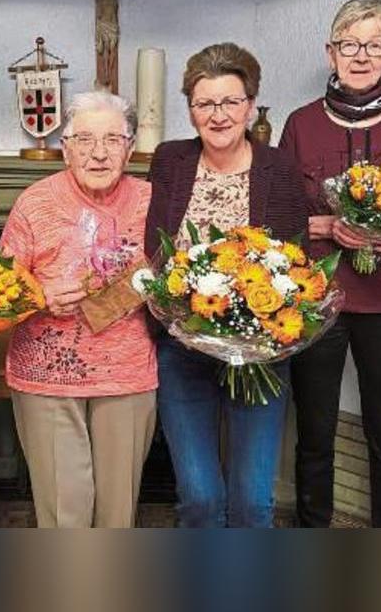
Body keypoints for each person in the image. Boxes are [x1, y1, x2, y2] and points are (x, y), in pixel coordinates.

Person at [278, 0, 381, 528]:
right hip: (318, 299)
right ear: (331, 52)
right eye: (349, 44)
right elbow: (279, 218)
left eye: (373, 44)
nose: (360, 55)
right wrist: (328, 227)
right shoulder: (300, 124)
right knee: (315, 434)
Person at [145, 42, 308, 528]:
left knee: (253, 500)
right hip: (183, 349)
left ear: (250, 106)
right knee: (197, 496)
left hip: (259, 352)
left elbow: (297, 260)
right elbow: (155, 248)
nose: (218, 115)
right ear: (191, 111)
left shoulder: (277, 167)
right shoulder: (170, 160)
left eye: (230, 102)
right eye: (204, 104)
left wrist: (264, 321)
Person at [0, 90, 157, 528]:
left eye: (112, 139)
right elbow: (0, 288)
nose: (99, 153)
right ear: (65, 148)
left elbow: (177, 277)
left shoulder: (152, 199)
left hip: (126, 373)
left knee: (117, 513)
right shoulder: (34, 202)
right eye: (84, 140)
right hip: (47, 375)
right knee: (64, 511)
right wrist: (40, 296)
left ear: (129, 146)